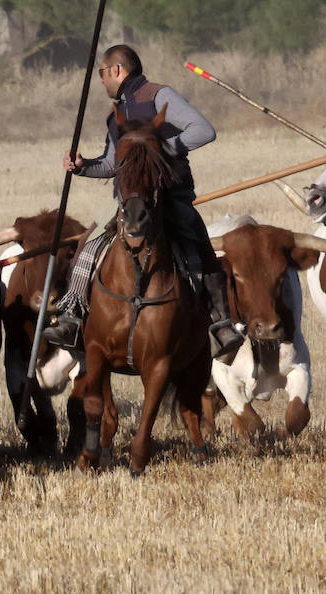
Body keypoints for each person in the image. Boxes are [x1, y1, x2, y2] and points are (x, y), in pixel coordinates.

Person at [40, 44, 244, 362]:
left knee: (197, 242)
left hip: (169, 197)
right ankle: (72, 318)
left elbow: (203, 130)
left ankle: (221, 321)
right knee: (88, 244)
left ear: (117, 70)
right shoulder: (115, 115)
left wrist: (158, 149)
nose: (102, 81)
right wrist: (83, 166)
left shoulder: (158, 95)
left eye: (103, 74)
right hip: (126, 202)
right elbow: (112, 163)